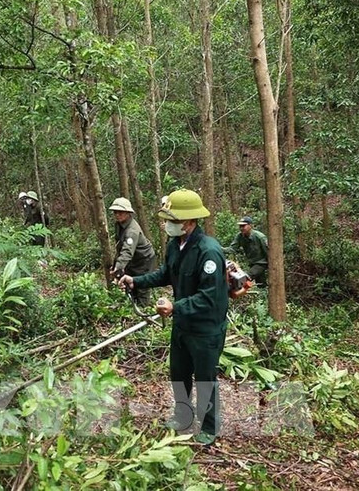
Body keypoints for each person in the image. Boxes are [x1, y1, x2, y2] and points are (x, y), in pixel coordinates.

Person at [118, 189, 229, 446]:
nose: (167, 224)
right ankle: (182, 416)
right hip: (182, 325)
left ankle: (209, 428)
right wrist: (136, 281)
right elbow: (166, 274)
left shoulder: (208, 252)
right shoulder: (174, 245)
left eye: (172, 219)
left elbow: (209, 297)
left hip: (205, 329)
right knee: (179, 373)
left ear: (188, 222)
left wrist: (174, 307)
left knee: (205, 378)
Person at [109, 197, 156, 305]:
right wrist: (116, 264)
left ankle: (144, 309)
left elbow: (127, 251)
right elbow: (120, 246)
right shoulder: (119, 225)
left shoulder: (132, 231)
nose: (117, 215)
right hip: (133, 260)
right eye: (115, 212)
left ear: (128, 213)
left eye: (120, 212)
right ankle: (133, 307)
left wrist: (118, 267)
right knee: (129, 284)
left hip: (144, 260)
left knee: (142, 287)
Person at [226, 216, 268, 286]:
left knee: (245, 277)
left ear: (250, 226)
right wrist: (218, 248)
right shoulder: (240, 236)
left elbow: (268, 252)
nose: (241, 228)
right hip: (252, 263)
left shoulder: (259, 237)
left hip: (262, 263)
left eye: (243, 226)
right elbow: (232, 249)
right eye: (240, 226)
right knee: (261, 285)